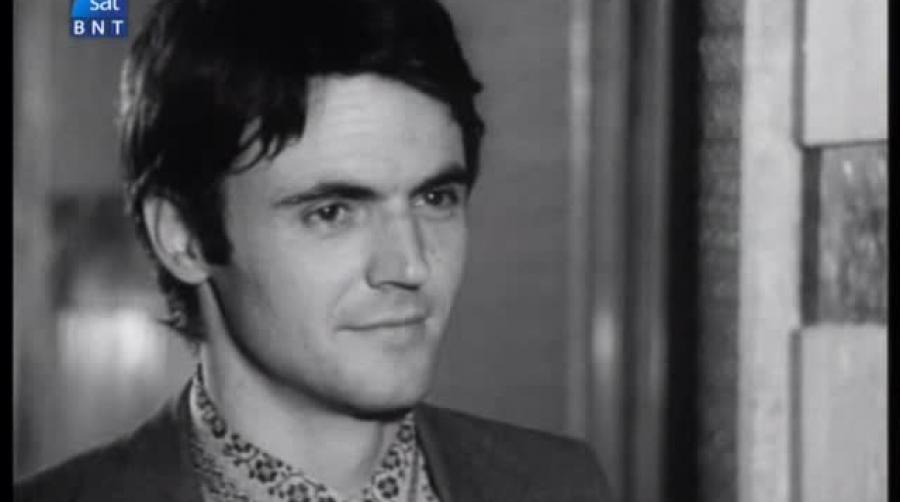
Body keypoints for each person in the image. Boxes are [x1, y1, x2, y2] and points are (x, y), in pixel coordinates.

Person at [15, 0, 611, 500]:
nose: (410, 266)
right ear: (184, 238)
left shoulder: (561, 484)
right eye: (332, 213)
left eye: (435, 198)